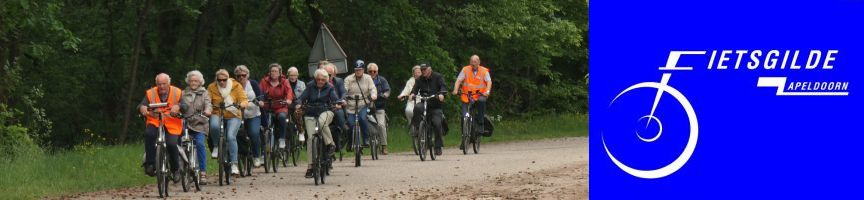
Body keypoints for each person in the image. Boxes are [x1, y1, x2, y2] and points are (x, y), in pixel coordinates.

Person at [138, 73, 184, 181]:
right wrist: (142, 108)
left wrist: (178, 106)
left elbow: (185, 105)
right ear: (156, 84)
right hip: (155, 121)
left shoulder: (177, 92)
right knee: (149, 134)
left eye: (164, 84)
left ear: (169, 83)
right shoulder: (151, 93)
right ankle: (150, 164)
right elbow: (141, 105)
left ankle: (175, 169)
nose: (162, 86)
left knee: (171, 144)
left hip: (172, 123)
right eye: (159, 84)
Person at [295, 69, 340, 178]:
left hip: (326, 111)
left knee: (321, 122)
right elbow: (301, 98)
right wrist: (299, 104)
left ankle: (330, 144)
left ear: (326, 80)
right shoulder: (310, 86)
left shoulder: (330, 87)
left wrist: (338, 103)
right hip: (310, 112)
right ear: (315, 79)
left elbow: (335, 99)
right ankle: (310, 167)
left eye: (323, 79)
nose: (320, 81)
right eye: (318, 79)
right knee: (310, 139)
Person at [207, 69, 249, 176]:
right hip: (217, 112)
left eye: (224, 80)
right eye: (219, 80)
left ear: (228, 78)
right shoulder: (212, 87)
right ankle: (216, 146)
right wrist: (207, 108)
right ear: (216, 79)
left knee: (231, 136)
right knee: (214, 126)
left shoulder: (236, 86)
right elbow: (208, 100)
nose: (221, 82)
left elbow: (244, 99)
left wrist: (242, 104)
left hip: (233, 114)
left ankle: (234, 164)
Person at [180, 70, 212, 184]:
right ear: (188, 81)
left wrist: (208, 110)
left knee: (200, 144)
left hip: (200, 124)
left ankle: (202, 173)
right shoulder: (182, 93)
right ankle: (179, 169)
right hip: (186, 124)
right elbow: (178, 105)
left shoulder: (205, 93)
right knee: (178, 143)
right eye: (191, 80)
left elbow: (208, 104)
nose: (193, 82)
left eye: (196, 81)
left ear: (200, 82)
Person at [409, 64, 448, 155]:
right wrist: (412, 94)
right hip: (425, 103)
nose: (423, 72)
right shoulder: (419, 79)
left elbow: (443, 86)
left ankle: (438, 146)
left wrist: (442, 94)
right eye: (422, 70)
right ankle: (419, 128)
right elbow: (415, 89)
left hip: (435, 105)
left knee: (437, 124)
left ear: (430, 69)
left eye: (425, 70)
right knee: (417, 107)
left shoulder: (438, 77)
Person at [452, 55, 492, 137]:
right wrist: (455, 90)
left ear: (479, 62)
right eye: (471, 61)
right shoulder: (465, 69)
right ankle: (464, 137)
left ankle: (481, 123)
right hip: (467, 96)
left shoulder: (484, 71)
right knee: (464, 116)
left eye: (475, 62)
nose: (473, 63)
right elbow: (458, 80)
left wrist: (487, 91)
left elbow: (489, 82)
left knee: (481, 101)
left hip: (479, 95)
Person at [259, 63, 294, 152]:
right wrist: (261, 101)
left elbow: (289, 92)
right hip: (267, 106)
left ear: (279, 73)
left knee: (282, 117)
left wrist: (288, 100)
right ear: (269, 73)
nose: (273, 73)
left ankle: (282, 139)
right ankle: (265, 151)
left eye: (275, 71)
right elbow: (260, 92)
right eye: (272, 71)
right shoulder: (264, 81)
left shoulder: (284, 81)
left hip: (280, 106)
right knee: (262, 126)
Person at [234, 65, 264, 167]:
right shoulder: (233, 86)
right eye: (239, 76)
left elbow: (260, 95)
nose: (241, 77)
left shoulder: (253, 84)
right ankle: (240, 155)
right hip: (238, 115)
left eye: (243, 75)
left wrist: (260, 102)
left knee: (254, 133)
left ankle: (256, 156)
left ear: (247, 75)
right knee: (236, 134)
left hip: (253, 115)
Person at [344, 60, 377, 148]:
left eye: (360, 69)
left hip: (363, 104)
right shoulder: (348, 79)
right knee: (350, 124)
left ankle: (366, 139)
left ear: (363, 70)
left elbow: (373, 89)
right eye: (356, 69)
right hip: (351, 105)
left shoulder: (368, 78)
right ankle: (350, 142)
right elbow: (344, 90)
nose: (358, 71)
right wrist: (344, 97)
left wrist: (373, 95)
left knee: (362, 118)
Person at [367, 63, 391, 154]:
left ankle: (384, 146)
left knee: (381, 125)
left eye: (374, 71)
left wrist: (385, 95)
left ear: (377, 71)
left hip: (379, 107)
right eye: (370, 71)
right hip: (367, 107)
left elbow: (387, 90)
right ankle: (361, 145)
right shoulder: (364, 80)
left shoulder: (382, 80)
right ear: (367, 72)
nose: (372, 73)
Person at [398, 65, 422, 133]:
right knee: (408, 110)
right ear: (413, 73)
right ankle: (413, 128)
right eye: (416, 72)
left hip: (422, 101)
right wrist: (401, 95)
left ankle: (423, 128)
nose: (417, 74)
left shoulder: (425, 80)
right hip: (412, 102)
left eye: (419, 72)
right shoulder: (410, 81)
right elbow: (406, 90)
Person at [287, 66, 306, 138]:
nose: (293, 77)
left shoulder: (302, 84)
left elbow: (304, 95)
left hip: (298, 104)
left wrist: (300, 103)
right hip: (287, 103)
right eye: (291, 75)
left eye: (294, 75)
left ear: (297, 75)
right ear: (288, 75)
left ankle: (301, 131)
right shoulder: (284, 82)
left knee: (298, 112)